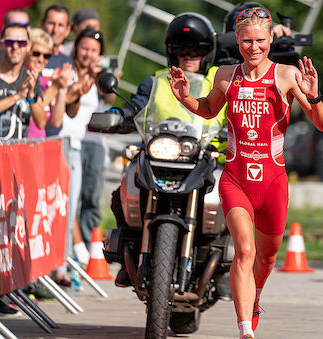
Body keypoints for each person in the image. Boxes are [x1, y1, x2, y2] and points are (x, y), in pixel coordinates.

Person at [168, 8, 323, 339]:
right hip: (236, 179)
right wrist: (186, 98)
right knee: (244, 250)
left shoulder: (286, 75)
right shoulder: (226, 75)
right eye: (246, 41)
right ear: (237, 41)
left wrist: (313, 95)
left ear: (270, 39)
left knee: (267, 257)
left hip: (273, 183)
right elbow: (209, 109)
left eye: (259, 40)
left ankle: (255, 295)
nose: (253, 48)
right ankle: (245, 331)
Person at [111, 13, 231, 300]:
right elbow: (137, 107)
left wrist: (238, 128)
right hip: (160, 156)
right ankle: (127, 256)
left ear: (208, 52)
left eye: (197, 49)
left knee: (231, 197)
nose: (188, 56)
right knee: (122, 191)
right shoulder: (157, 82)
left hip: (205, 156)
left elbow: (237, 106)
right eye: (181, 49)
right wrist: (118, 115)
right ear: (170, 52)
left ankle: (225, 268)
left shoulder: (220, 79)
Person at [56, 27, 105, 284]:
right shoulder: (68, 71)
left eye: (94, 51)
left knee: (76, 204)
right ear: (76, 48)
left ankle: (69, 260)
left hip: (79, 144)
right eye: (84, 48)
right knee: (63, 205)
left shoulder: (96, 77)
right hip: (59, 142)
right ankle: (67, 261)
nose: (88, 54)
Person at [0, 22, 45, 144]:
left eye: (21, 43)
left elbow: (41, 123)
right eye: (9, 42)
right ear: (1, 45)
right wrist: (17, 96)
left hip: (16, 157)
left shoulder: (29, 77)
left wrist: (31, 96)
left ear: (28, 46)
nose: (15, 47)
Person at [25, 28, 75, 139]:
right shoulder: (21, 79)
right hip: (22, 146)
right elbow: (32, 115)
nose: (41, 59)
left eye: (46, 56)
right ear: (27, 50)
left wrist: (62, 87)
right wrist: (55, 86)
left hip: (39, 146)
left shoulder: (43, 82)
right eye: (36, 54)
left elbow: (56, 121)